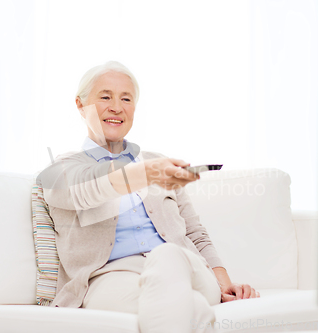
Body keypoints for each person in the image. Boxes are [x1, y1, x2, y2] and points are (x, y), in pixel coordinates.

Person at [37, 61, 260, 333]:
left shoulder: (158, 162)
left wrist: (225, 283)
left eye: (126, 99)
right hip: (111, 279)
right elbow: (85, 192)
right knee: (190, 307)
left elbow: (195, 232)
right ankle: (193, 310)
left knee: (167, 256)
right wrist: (147, 173)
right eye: (105, 97)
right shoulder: (62, 169)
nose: (116, 107)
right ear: (80, 105)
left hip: (187, 268)